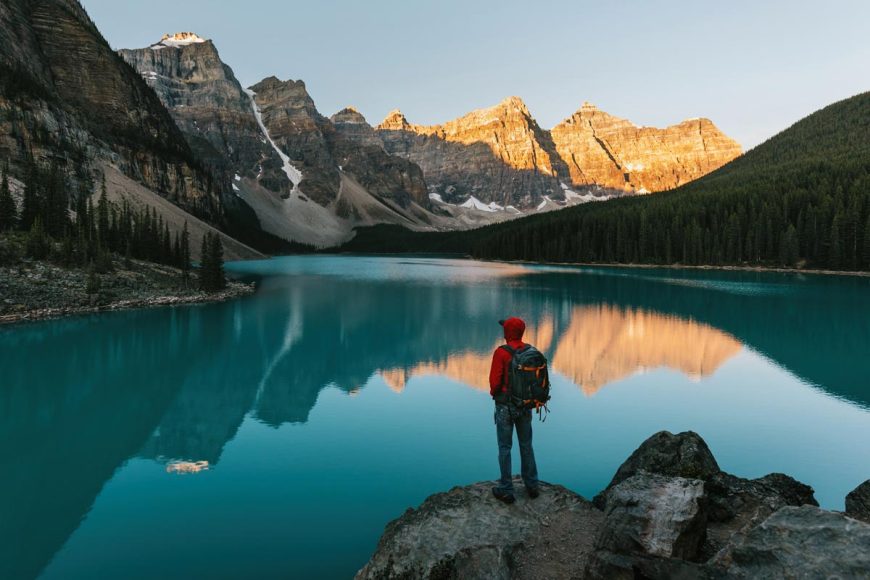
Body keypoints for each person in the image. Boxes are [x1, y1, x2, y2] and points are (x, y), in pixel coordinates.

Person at [489, 316, 540, 503]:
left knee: (505, 447)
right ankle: (532, 485)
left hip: (505, 407)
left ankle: (506, 488)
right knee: (526, 445)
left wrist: (496, 394)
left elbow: (494, 382)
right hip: (525, 405)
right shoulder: (530, 351)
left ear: (507, 333)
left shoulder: (501, 353)